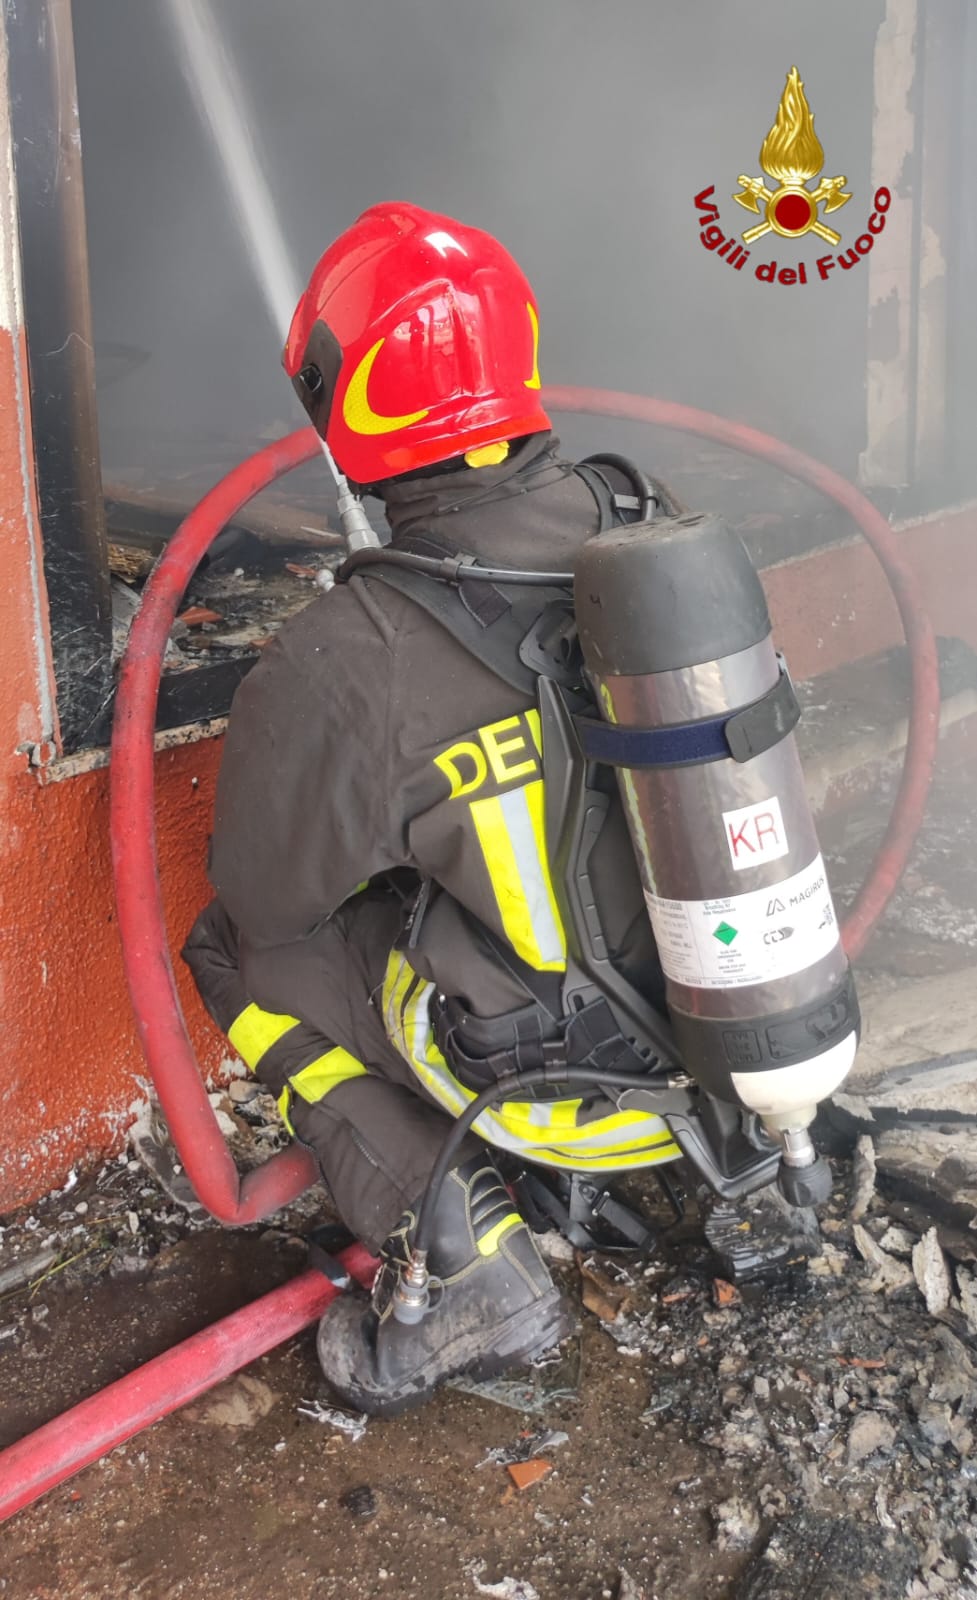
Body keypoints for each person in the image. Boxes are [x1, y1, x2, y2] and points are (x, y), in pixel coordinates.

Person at [183, 201, 680, 1416]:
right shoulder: (650, 526)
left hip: (565, 1096)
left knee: (235, 952)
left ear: (344, 402)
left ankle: (461, 1252)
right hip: (730, 1056)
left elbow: (267, 898)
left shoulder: (347, 656)